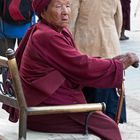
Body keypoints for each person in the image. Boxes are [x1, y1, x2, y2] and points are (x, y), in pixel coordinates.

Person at [3, 0, 139, 139]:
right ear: (43, 11)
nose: (66, 12)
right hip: (43, 111)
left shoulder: (53, 31)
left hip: (46, 104)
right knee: (108, 127)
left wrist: (113, 61)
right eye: (58, 6)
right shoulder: (46, 36)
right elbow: (82, 66)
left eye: (68, 6)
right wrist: (119, 64)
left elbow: (77, 61)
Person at [70, 0, 126, 123]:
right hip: (110, 45)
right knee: (110, 96)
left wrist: (69, 46)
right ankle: (110, 124)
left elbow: (71, 20)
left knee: (89, 99)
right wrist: (113, 38)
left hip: (85, 45)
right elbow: (118, 18)